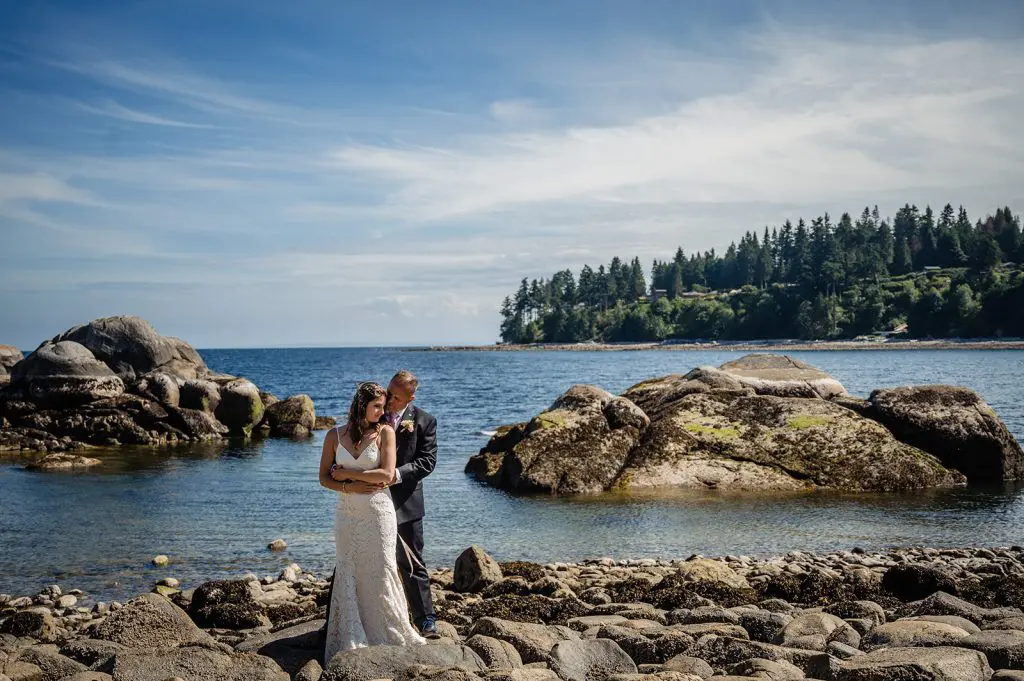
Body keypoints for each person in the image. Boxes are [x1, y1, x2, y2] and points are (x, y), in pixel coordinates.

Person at [318, 381, 425, 663]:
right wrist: (347, 486)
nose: (382, 410)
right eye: (377, 406)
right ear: (361, 405)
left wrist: (346, 474)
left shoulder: (385, 433)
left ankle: (387, 632)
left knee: (381, 567)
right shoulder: (333, 435)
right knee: (349, 568)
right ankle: (352, 635)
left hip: (378, 513)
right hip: (346, 513)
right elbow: (324, 477)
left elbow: (387, 474)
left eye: (384, 405)